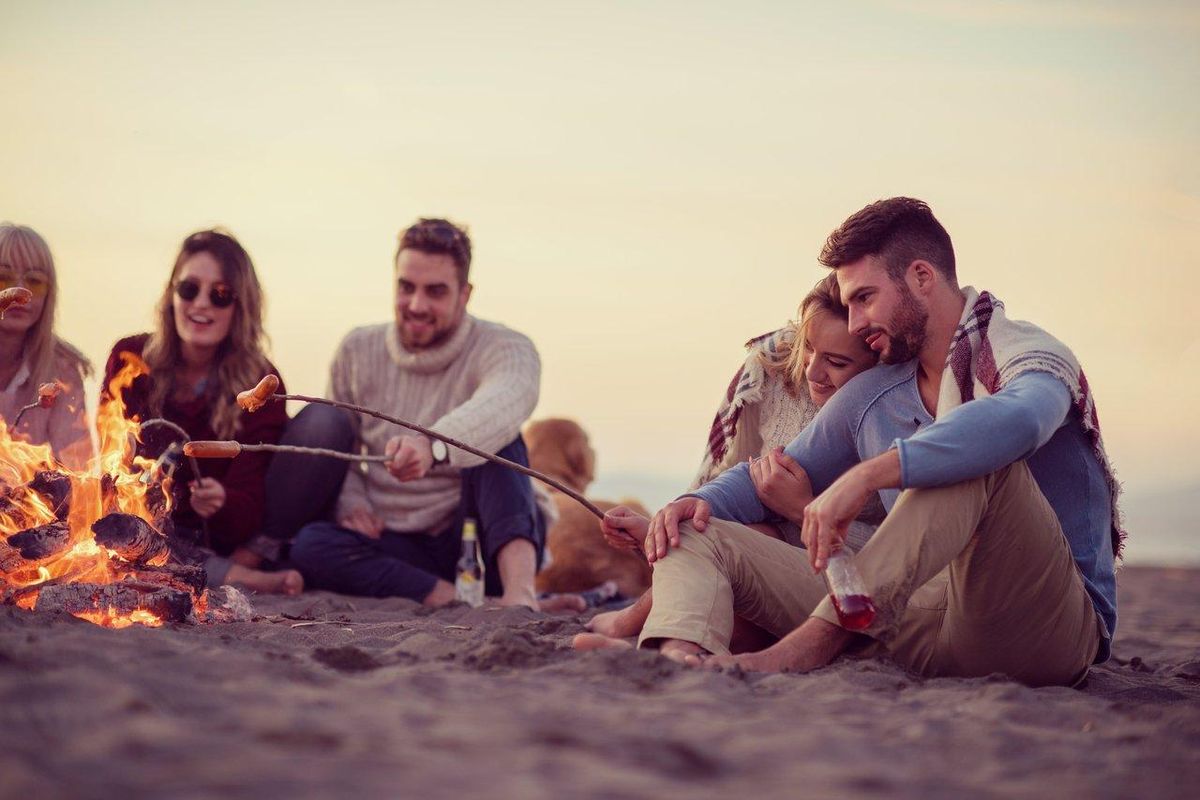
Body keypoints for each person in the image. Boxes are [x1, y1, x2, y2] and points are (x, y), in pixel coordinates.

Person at [613, 198, 1120, 688]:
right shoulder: (874, 394)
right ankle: (679, 657)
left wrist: (869, 473)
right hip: (916, 616)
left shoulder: (1022, 352)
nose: (855, 323)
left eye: (865, 298)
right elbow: (775, 472)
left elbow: (1023, 421)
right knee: (699, 530)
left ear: (921, 277)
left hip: (1042, 628)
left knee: (971, 456)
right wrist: (690, 503)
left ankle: (810, 644)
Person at [579, 274, 880, 645]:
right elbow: (746, 480)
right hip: (779, 560)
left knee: (742, 540)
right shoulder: (788, 383)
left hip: (854, 580)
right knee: (713, 540)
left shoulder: (885, 415)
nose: (812, 372)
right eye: (808, 348)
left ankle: (635, 628)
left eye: (836, 362)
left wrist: (799, 510)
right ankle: (660, 644)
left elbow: (900, 550)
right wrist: (681, 512)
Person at [288, 218, 548, 610]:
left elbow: (507, 400)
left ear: (465, 294)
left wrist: (432, 446)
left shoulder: (506, 346)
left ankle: (520, 597)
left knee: (499, 440)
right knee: (311, 545)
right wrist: (353, 503)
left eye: (435, 291)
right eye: (406, 287)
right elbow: (344, 448)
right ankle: (454, 599)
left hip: (479, 538)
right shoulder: (357, 349)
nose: (416, 305)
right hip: (395, 541)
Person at [103, 229, 302, 595]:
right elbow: (110, 463)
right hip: (143, 525)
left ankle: (231, 569)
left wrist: (222, 502)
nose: (201, 304)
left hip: (221, 538)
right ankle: (236, 576)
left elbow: (250, 509)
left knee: (324, 424)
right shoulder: (129, 360)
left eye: (220, 294)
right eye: (189, 289)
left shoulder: (259, 381)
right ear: (171, 294)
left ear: (241, 306)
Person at [0, 223, 92, 470]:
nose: (19, 291)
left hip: (30, 495)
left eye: (35, 281)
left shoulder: (64, 371)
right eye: (3, 278)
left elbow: (77, 468)